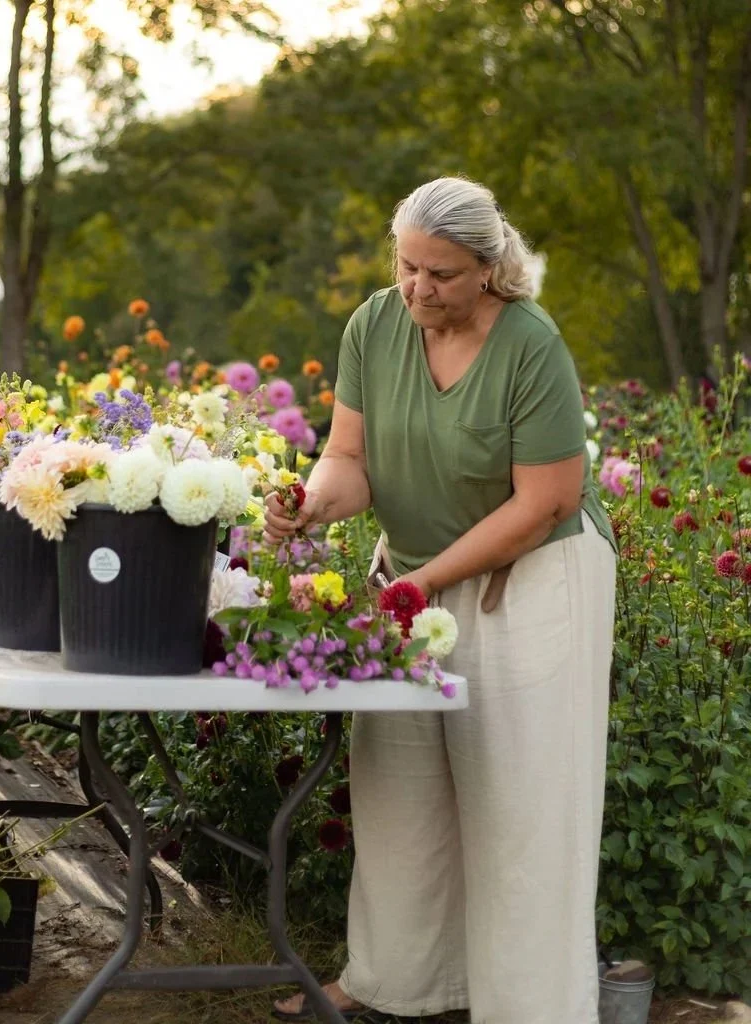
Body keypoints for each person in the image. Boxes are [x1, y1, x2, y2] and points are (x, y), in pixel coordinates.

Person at [266, 176, 618, 1024]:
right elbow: (349, 458)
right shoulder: (374, 326)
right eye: (408, 266)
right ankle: (398, 981)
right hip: (415, 579)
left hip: (535, 581)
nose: (419, 289)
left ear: (490, 271)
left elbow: (546, 503)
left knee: (523, 805)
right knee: (397, 785)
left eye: (443, 275)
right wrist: (311, 503)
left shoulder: (532, 346)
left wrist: (425, 581)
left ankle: (529, 1009)